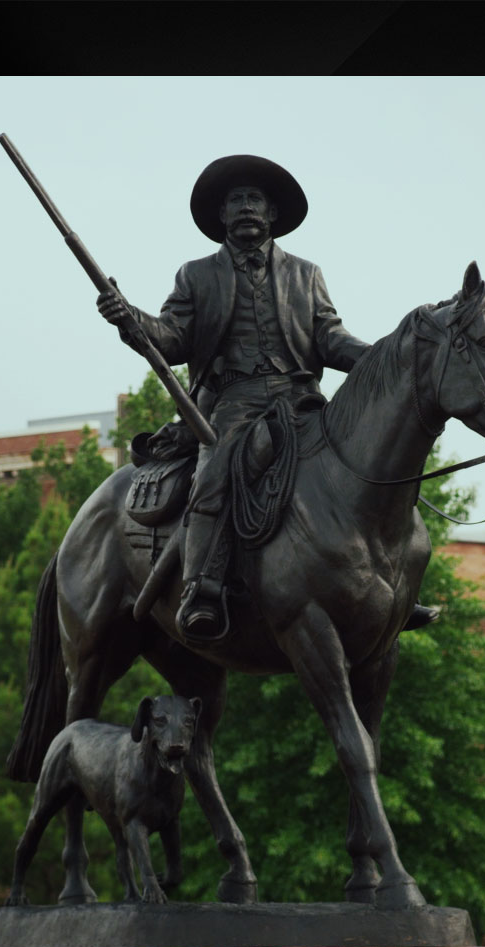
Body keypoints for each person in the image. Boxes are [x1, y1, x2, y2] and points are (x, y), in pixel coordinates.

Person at [97, 154, 436, 641]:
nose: (246, 208)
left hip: (300, 400)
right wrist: (130, 319)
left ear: (272, 213)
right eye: (236, 200)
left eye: (254, 199)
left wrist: (383, 360)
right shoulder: (196, 275)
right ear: (222, 215)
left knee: (375, 464)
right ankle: (202, 587)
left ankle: (395, 584)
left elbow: (329, 337)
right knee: (214, 475)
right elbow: (170, 338)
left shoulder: (306, 274)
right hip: (234, 402)